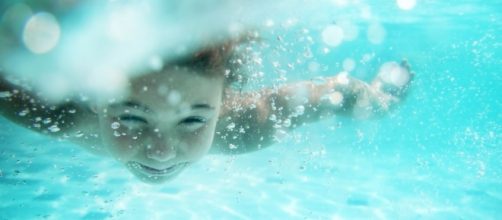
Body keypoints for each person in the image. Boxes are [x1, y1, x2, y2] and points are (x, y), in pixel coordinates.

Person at [0, 32, 413, 184]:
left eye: (194, 118)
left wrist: (380, 99)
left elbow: (332, 93)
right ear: (93, 94)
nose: (161, 151)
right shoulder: (57, 112)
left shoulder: (246, 125)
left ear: (224, 101)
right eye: (131, 117)